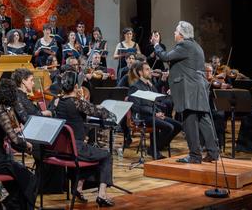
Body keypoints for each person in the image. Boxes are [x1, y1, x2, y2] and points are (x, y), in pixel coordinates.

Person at [151, 21, 219, 164]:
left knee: (190, 121)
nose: (174, 34)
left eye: (176, 32)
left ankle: (195, 155)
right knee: (203, 120)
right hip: (198, 88)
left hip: (189, 89)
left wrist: (156, 44)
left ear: (181, 34)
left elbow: (165, 57)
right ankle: (213, 152)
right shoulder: (197, 46)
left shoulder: (184, 45)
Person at [51, 71, 115, 206]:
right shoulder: (77, 103)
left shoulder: (58, 102)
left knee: (92, 155)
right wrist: (103, 108)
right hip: (76, 149)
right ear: (75, 87)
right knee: (106, 155)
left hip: (62, 149)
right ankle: (102, 194)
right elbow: (101, 113)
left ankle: (78, 188)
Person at [0, 79, 35, 209]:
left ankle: (7, 205)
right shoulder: (2, 113)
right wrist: (27, 145)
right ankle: (6, 204)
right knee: (30, 179)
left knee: (19, 184)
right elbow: (15, 141)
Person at [127, 61, 182, 159]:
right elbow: (136, 107)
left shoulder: (150, 86)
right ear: (140, 72)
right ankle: (154, 149)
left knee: (178, 125)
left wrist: (158, 112)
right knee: (169, 127)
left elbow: (155, 101)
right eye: (147, 69)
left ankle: (156, 147)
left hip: (152, 115)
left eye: (150, 69)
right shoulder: (135, 87)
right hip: (142, 118)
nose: (150, 71)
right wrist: (154, 113)